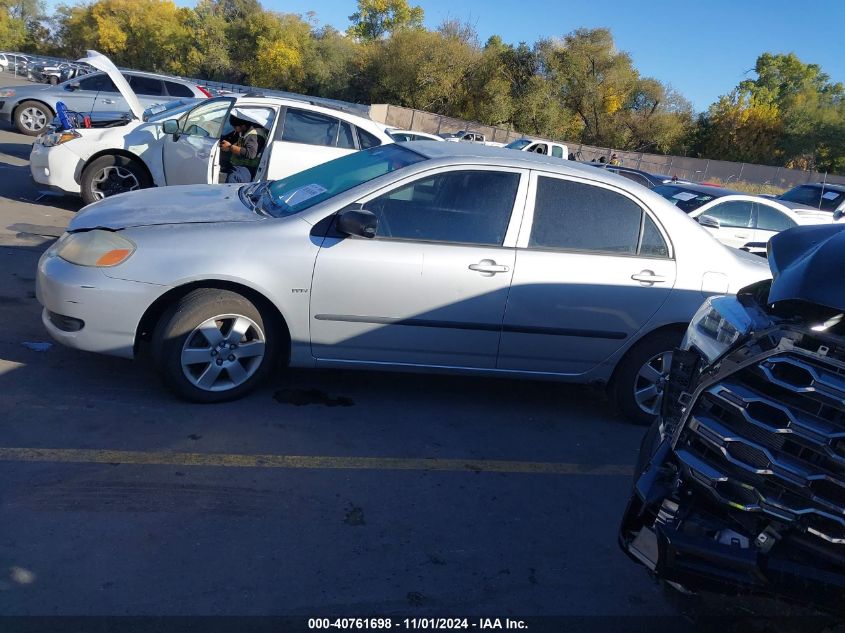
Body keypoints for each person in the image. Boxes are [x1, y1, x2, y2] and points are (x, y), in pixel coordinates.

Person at [220, 108, 269, 183]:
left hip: (248, 168)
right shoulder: (244, 131)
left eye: (235, 127)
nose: (234, 130)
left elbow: (251, 153)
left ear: (243, 126)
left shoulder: (254, 135)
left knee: (233, 178)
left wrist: (230, 147)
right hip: (240, 165)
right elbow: (229, 137)